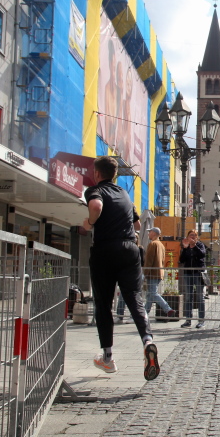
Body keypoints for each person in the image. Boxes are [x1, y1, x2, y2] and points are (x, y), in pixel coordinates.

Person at [82, 156, 159, 381]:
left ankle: (107, 357)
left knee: (104, 303)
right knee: (134, 297)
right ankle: (147, 340)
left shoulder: (95, 190)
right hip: (129, 249)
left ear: (97, 173)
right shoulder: (124, 193)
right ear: (114, 174)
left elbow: (96, 206)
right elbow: (137, 224)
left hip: (105, 250)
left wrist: (90, 222)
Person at [143, 227, 175, 318]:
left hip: (152, 273)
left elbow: (149, 260)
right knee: (150, 295)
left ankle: (168, 309)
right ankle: (144, 313)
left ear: (153, 233)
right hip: (159, 272)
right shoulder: (161, 245)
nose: (148, 234)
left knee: (153, 293)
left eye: (149, 232)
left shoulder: (152, 244)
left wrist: (145, 273)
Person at [179, 229, 207, 329]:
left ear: (197, 237)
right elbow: (181, 260)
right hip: (188, 274)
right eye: (190, 235)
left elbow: (202, 254)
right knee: (188, 297)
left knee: (200, 297)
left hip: (198, 273)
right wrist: (185, 248)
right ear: (187, 237)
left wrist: (194, 246)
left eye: (194, 235)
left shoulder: (200, 245)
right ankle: (188, 320)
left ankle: (201, 320)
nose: (192, 237)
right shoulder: (186, 247)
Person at [115, 232, 144, 324]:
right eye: (133, 237)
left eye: (136, 237)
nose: (134, 239)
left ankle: (133, 316)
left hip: (136, 274)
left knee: (134, 296)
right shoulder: (125, 247)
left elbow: (142, 262)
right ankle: (120, 316)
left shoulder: (140, 249)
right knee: (122, 296)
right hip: (125, 274)